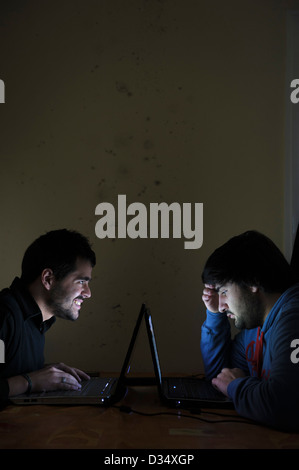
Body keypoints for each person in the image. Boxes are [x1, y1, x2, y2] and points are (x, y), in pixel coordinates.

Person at [200, 230, 299, 431]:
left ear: (253, 281)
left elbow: (284, 407)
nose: (221, 305)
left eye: (224, 291)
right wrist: (215, 316)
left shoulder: (293, 320)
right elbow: (219, 378)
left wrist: (235, 387)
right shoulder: (255, 328)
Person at [0, 229, 96, 404]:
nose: (88, 293)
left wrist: (44, 373)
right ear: (48, 279)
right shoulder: (4, 317)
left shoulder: (38, 321)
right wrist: (30, 381)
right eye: (81, 282)